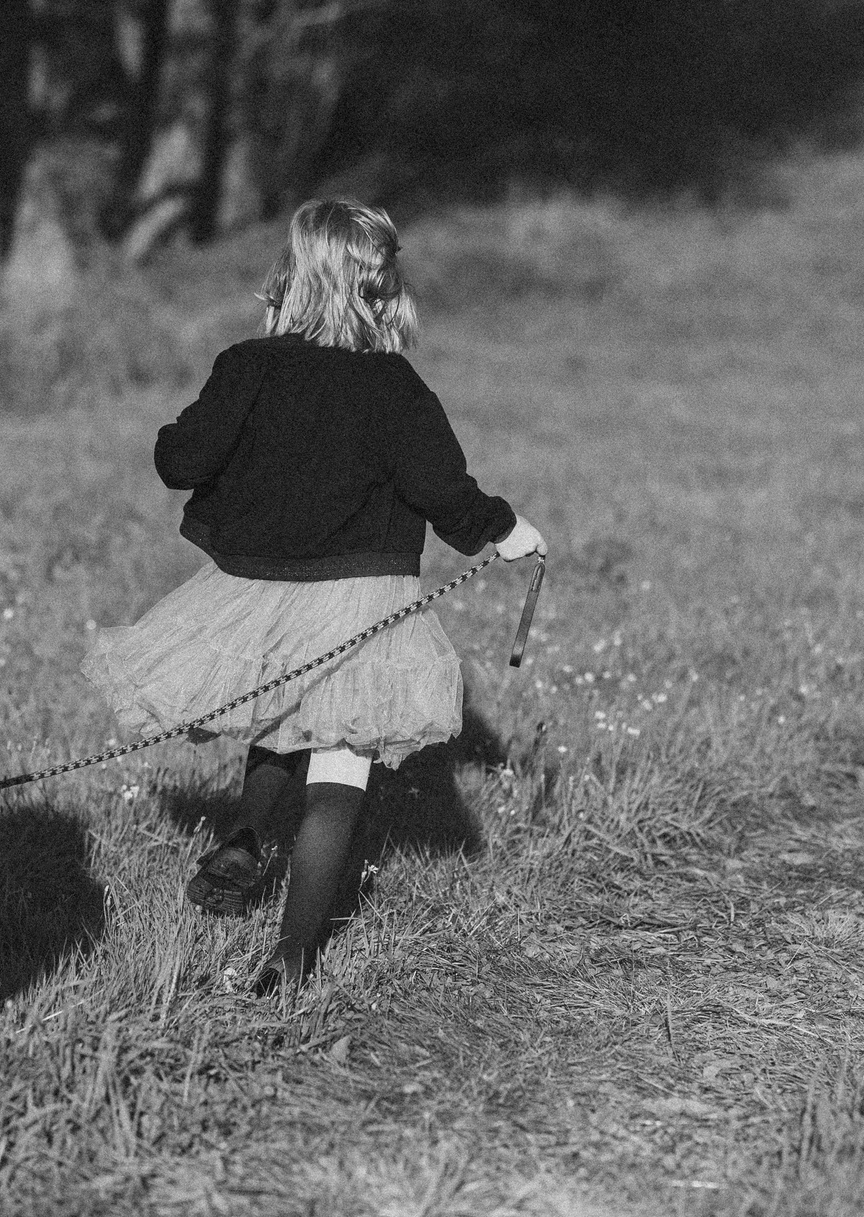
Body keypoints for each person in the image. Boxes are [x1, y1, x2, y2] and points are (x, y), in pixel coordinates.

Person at [83, 199, 545, 996]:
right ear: (381, 286)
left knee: (277, 717)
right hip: (358, 597)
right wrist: (506, 531)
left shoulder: (247, 366)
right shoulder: (393, 385)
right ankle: (292, 960)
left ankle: (247, 833)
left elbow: (180, 458)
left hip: (254, 587)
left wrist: (184, 432)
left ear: (291, 276)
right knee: (341, 760)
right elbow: (447, 492)